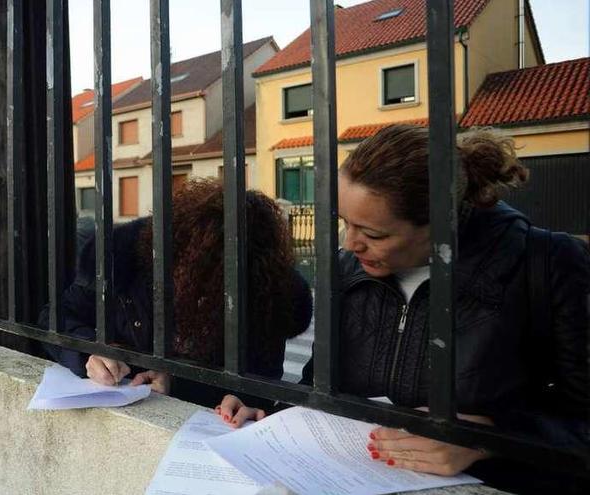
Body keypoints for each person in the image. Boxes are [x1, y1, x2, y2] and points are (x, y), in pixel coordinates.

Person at [216, 125, 589, 492]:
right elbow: (321, 387)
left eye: (374, 234)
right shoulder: (347, 269)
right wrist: (269, 410)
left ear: (442, 224)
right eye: (345, 223)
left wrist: (486, 438)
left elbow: (579, 424)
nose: (349, 244)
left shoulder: (547, 263)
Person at [39, 178, 313, 407]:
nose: (201, 297)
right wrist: (88, 352)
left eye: (217, 290)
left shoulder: (267, 297)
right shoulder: (124, 264)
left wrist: (180, 382)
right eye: (194, 278)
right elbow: (56, 317)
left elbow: (259, 386)